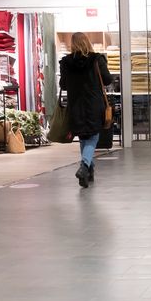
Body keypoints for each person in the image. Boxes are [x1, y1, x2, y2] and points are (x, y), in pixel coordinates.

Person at [59, 32, 112, 188]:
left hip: (76, 104)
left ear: (72, 44)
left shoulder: (66, 62)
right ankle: (84, 166)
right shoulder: (97, 59)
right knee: (93, 136)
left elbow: (63, 85)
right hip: (94, 104)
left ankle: (89, 170)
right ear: (87, 42)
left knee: (83, 137)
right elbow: (107, 79)